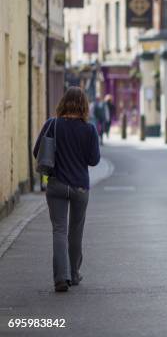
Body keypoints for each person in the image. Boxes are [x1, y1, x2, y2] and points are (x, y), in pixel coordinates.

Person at [33, 87, 100, 292]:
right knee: (76, 231)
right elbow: (94, 160)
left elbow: (38, 151)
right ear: (84, 106)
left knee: (59, 230)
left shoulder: (52, 124)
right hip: (80, 186)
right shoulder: (89, 129)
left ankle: (61, 278)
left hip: (56, 184)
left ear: (63, 103)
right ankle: (74, 273)